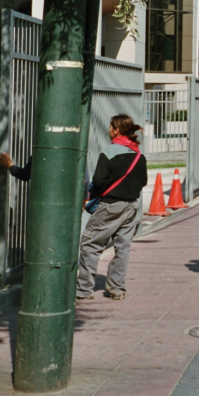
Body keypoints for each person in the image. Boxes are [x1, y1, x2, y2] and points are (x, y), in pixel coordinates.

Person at [77, 114, 147, 301]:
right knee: (122, 248)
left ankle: (84, 289)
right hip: (131, 207)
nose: (108, 130)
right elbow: (143, 181)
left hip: (110, 206)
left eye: (110, 127)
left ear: (116, 130)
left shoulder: (109, 152)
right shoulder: (138, 155)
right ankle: (117, 288)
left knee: (90, 244)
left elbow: (98, 181)